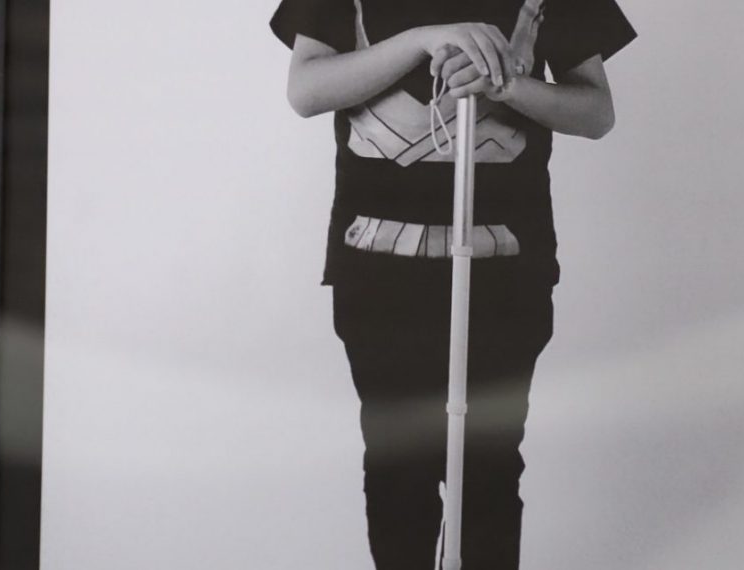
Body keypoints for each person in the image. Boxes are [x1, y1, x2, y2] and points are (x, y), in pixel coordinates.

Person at [270, 1, 636, 568]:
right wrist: (422, 40)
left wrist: (507, 86)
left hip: (505, 272)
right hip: (378, 272)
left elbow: (596, 112)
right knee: (397, 473)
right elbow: (307, 90)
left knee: (488, 473)